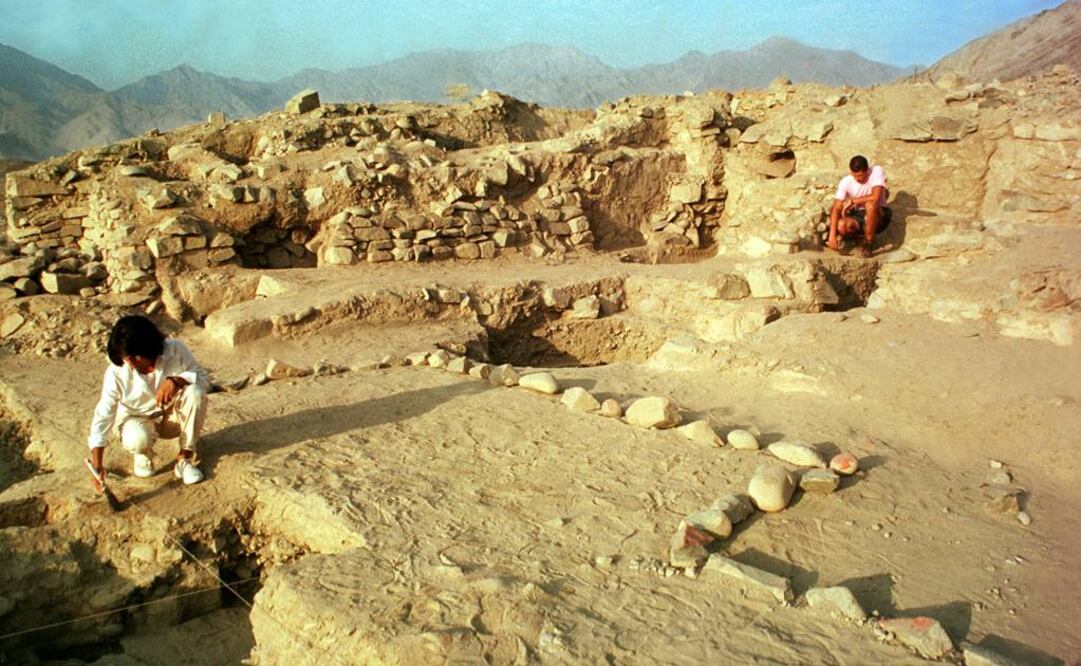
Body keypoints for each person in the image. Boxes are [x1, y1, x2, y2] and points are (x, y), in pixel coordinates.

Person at [87, 315, 209, 489]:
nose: (129, 362)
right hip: (136, 420)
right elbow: (104, 413)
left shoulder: (175, 350)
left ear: (148, 346)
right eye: (125, 356)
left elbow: (204, 379)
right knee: (138, 438)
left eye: (134, 356)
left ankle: (184, 460)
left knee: (195, 392)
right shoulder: (117, 372)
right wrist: (97, 462)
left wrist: (177, 381)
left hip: (171, 417)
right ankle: (143, 452)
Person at [828, 155, 893, 258]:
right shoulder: (846, 182)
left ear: (867, 170)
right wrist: (831, 236)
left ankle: (868, 243)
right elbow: (836, 208)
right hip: (859, 215)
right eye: (855, 176)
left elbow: (875, 197)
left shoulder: (876, 171)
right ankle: (858, 240)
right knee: (841, 225)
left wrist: (853, 201)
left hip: (879, 214)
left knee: (870, 205)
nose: (858, 179)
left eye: (861, 176)